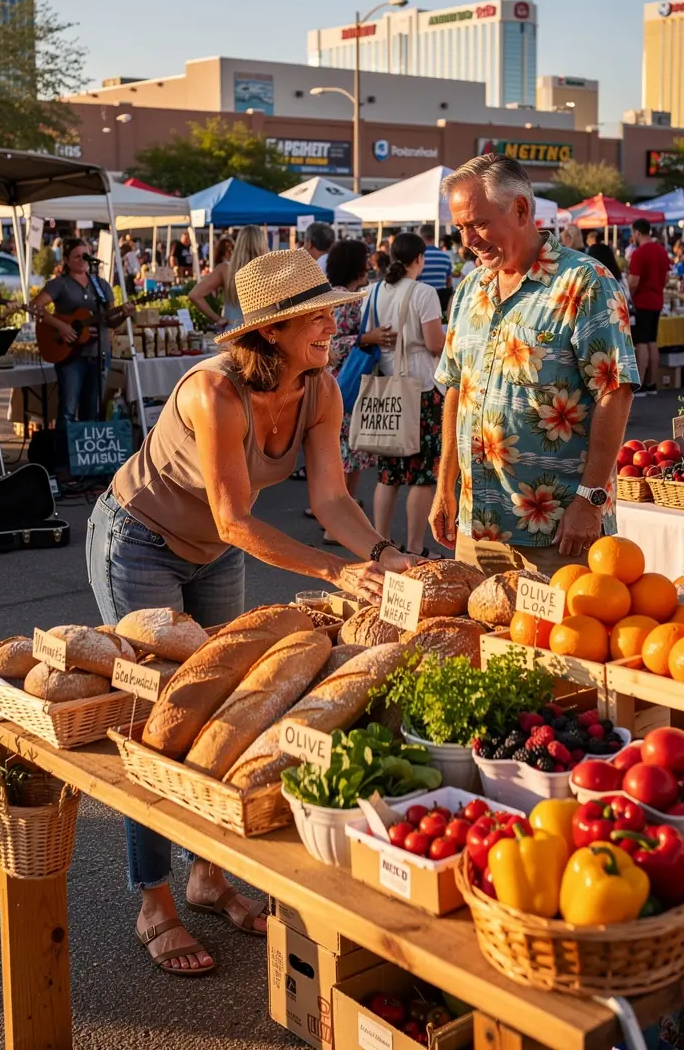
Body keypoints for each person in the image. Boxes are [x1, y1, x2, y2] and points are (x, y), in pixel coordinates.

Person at [87, 249, 419, 975]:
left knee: (229, 716)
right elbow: (237, 517)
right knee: (158, 716)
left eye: (333, 310)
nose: (334, 323)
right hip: (139, 538)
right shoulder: (215, 392)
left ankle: (208, 876)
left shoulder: (321, 388)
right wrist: (338, 571)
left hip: (215, 548)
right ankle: (155, 901)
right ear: (271, 331)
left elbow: (333, 503)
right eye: (318, 315)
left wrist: (384, 554)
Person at [429, 153, 638, 577]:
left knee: (560, 642)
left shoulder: (585, 282)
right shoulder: (471, 287)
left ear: (521, 209)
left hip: (559, 531)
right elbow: (456, 386)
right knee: (485, 641)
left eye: (479, 223)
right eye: (461, 228)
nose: (468, 239)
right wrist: (444, 486)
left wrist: (589, 499)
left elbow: (614, 392)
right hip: (477, 529)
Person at [368, 232, 445, 557]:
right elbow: (434, 344)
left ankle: (379, 544)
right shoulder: (424, 292)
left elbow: (368, 335)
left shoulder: (372, 291)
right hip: (421, 388)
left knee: (389, 474)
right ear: (418, 259)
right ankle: (414, 548)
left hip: (386, 386)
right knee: (422, 475)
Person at [29, 239, 133, 471]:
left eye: (86, 255)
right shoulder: (60, 284)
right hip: (71, 356)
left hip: (99, 354)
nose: (83, 260)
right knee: (67, 410)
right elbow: (34, 306)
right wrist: (61, 326)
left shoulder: (101, 285)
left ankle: (88, 466)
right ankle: (65, 465)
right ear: (66, 260)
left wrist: (124, 314)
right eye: (77, 256)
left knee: (92, 409)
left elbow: (110, 321)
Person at [325, 239, 391, 536]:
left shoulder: (337, 295)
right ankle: (337, 522)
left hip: (338, 383)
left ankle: (341, 514)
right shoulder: (343, 299)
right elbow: (330, 344)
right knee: (345, 455)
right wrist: (366, 339)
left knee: (347, 454)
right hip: (345, 384)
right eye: (365, 259)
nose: (369, 264)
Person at [188, 226, 267, 330]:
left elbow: (194, 295)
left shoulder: (225, 269)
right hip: (261, 332)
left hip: (233, 331)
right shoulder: (268, 269)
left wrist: (217, 319)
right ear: (262, 244)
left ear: (239, 243)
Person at [628, 218, 670, 398]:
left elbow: (633, 281)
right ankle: (652, 382)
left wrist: (630, 293)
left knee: (642, 343)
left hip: (642, 301)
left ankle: (641, 384)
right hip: (657, 300)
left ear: (637, 233)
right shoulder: (661, 251)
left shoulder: (639, 253)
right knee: (653, 341)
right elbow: (667, 278)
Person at [418, 224, 453, 314]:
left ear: (420, 237)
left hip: (422, 300)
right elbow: (449, 282)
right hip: (440, 301)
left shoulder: (418, 257)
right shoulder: (445, 257)